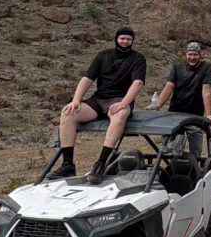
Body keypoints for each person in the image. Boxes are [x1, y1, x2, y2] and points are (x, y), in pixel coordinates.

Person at [51, 27, 147, 183]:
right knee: (68, 113)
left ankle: (101, 163)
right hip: (98, 99)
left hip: (119, 100)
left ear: (133, 41)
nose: (125, 41)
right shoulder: (103, 55)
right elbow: (87, 79)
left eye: (129, 39)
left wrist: (124, 103)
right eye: (122, 38)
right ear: (116, 38)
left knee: (120, 115)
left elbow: (138, 82)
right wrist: (76, 100)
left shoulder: (138, 58)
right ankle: (67, 164)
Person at [157, 41, 211, 157]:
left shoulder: (206, 67)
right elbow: (168, 89)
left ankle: (195, 169)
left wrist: (209, 114)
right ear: (186, 54)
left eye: (195, 55)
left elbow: (206, 92)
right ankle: (171, 169)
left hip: (195, 115)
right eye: (190, 54)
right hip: (175, 113)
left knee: (196, 150)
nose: (192, 57)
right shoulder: (177, 67)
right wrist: (157, 106)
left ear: (200, 55)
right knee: (170, 149)